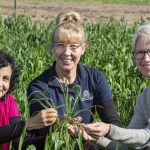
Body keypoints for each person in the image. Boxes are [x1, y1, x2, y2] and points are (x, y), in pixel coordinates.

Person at [27, 11, 120, 149]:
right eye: (60, 45)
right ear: (52, 47)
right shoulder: (38, 86)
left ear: (83, 49)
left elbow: (113, 123)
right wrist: (62, 124)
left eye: (73, 46)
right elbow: (42, 128)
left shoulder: (95, 78)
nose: (67, 52)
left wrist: (95, 133)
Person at [82, 22, 150, 150]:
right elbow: (128, 145)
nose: (146, 59)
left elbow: (147, 138)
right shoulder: (145, 96)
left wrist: (109, 129)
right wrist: (94, 138)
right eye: (140, 52)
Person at [0, 50, 58, 150]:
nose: (0, 84)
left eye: (5, 78)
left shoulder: (9, 101)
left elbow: (16, 140)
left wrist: (53, 130)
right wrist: (28, 124)